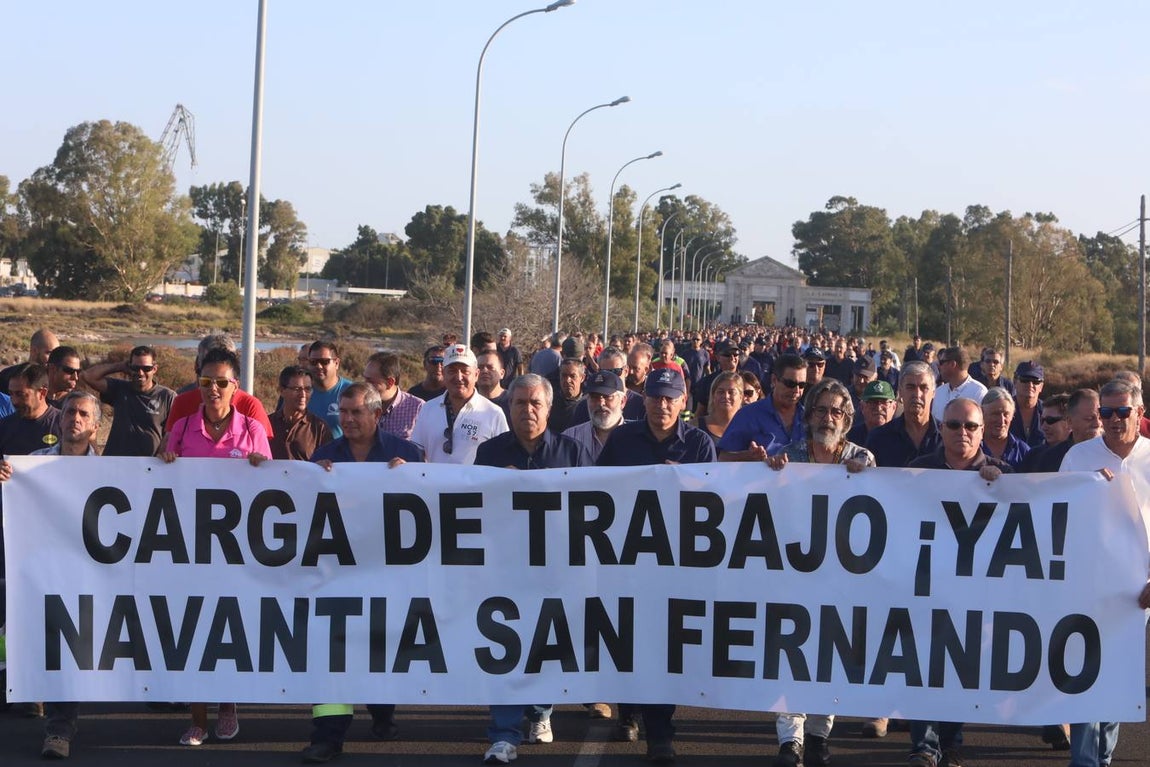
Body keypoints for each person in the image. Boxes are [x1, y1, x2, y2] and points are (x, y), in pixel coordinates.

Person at [597, 367, 715, 764]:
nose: (662, 404)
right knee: (628, 639)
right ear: (642, 399)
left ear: (683, 402)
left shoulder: (699, 444)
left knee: (665, 647)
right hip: (630, 560)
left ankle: (661, 734)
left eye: (670, 398)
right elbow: (598, 492)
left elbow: (718, 500)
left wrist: (683, 484)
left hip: (678, 564)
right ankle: (629, 712)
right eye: (655, 396)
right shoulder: (623, 439)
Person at [301, 383, 421, 764]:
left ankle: (383, 711)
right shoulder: (324, 456)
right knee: (332, 652)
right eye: (344, 413)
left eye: (357, 413)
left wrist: (414, 479)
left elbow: (429, 508)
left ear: (377, 414)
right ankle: (328, 736)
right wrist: (312, 479)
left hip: (388, 573)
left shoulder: (407, 454)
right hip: (338, 573)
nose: (348, 420)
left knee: (380, 648)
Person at [475, 373, 591, 761]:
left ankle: (541, 711)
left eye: (535, 403)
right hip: (505, 570)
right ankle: (503, 734)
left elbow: (594, 508)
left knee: (546, 645)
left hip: (557, 570)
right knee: (506, 649)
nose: (527, 410)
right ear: (510, 408)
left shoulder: (572, 453)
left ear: (549, 407)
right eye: (520, 403)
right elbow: (473, 510)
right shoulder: (489, 454)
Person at [160, 347, 270, 747]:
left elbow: (274, 488)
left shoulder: (252, 429)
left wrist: (261, 466)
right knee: (193, 629)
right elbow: (163, 475)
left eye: (222, 382)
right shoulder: (184, 426)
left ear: (235, 386)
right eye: (206, 382)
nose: (213, 389)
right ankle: (197, 719)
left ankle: (228, 706)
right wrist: (167, 458)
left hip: (237, 550)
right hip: (191, 547)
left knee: (230, 627)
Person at [764, 379, 874, 767]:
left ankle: (818, 734)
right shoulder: (788, 457)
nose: (829, 418)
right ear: (809, 415)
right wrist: (770, 474)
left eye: (837, 412)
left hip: (841, 579)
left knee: (830, 656)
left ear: (847, 420)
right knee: (788, 655)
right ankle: (789, 739)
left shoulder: (864, 459)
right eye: (822, 410)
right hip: (793, 575)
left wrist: (866, 478)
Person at [906, 398, 1010, 767]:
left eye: (970, 426)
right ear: (941, 429)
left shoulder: (1005, 476)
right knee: (922, 665)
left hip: (975, 593)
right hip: (926, 587)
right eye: (953, 425)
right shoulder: (917, 472)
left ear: (983, 430)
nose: (961, 433)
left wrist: (1002, 491)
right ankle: (924, 745)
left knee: (961, 668)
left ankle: (950, 741)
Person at [0, 390, 100, 759]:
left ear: (94, 426)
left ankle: (59, 729)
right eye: (70, 411)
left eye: (83, 414)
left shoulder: (112, 472)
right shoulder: (32, 466)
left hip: (84, 574)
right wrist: (5, 482)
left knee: (68, 647)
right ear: (59, 419)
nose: (75, 418)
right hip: (40, 569)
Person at [1064, 379, 1150, 767]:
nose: (1114, 420)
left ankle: (1102, 756)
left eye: (1123, 412)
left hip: (1138, 592)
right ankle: (1084, 760)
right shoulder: (1078, 456)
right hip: (1086, 586)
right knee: (1085, 673)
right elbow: (1055, 517)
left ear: (1139, 414)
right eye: (1106, 412)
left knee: (1117, 677)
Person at [409, 343, 507, 464]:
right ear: (444, 374)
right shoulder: (428, 408)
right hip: (434, 482)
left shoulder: (493, 413)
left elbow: (504, 458)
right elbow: (416, 452)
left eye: (465, 371)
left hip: (478, 483)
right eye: (452, 371)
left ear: (476, 375)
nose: (459, 377)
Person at [165, 334, 273, 436]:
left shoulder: (250, 405)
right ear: (197, 365)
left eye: (224, 360)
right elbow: (170, 446)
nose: (216, 367)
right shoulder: (182, 402)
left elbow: (263, 450)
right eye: (210, 361)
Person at [81, 345, 175, 457]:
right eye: (136, 368)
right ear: (129, 367)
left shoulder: (167, 396)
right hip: (116, 463)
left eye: (146, 368)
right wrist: (119, 366)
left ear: (154, 369)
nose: (140, 372)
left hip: (149, 467)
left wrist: (159, 459)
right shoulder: (120, 388)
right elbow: (88, 376)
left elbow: (172, 434)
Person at [718, 352, 807, 460]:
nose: (796, 390)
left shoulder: (810, 418)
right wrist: (748, 456)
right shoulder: (748, 415)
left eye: (802, 385)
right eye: (790, 384)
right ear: (774, 380)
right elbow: (722, 457)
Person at [866, 361, 942, 469]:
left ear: (933, 392)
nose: (917, 394)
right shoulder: (878, 438)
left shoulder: (947, 437)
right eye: (910, 387)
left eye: (923, 387)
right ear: (900, 392)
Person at [268, 365, 331, 460]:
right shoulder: (267, 424)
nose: (303, 395)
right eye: (297, 389)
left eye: (308, 389)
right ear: (281, 390)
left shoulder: (319, 428)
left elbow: (329, 464)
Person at [562, 370, 627, 462]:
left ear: (622, 401)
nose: (601, 403)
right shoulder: (568, 439)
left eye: (608, 397)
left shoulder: (638, 439)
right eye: (594, 397)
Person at [363, 351, 423, 440]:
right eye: (364, 379)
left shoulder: (418, 408)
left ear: (390, 382)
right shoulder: (360, 405)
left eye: (370, 381)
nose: (365, 385)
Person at [307, 340, 352, 438]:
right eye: (313, 362)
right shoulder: (302, 392)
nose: (318, 366)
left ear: (336, 363)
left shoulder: (351, 391)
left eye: (324, 362)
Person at [931, 347, 988, 423]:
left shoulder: (979, 393)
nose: (939, 367)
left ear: (952, 364)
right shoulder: (938, 392)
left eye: (941, 362)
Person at [980, 387, 1029, 469]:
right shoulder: (972, 448)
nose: (1001, 420)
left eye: (1006, 414)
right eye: (995, 414)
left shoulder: (1023, 451)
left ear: (1012, 416)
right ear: (982, 413)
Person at [0, 328, 58, 395]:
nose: (54, 358)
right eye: (49, 353)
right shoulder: (8, 376)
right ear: (34, 351)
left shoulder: (56, 378)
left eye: (56, 354)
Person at [696, 371, 744, 445]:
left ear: (741, 397)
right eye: (720, 392)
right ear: (713, 396)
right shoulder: (696, 426)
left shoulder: (749, 427)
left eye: (731, 392)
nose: (726, 396)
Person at [846, 379, 897, 446]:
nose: (878, 408)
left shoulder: (902, 438)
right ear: (862, 407)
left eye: (884, 402)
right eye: (873, 402)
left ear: (894, 407)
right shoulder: (849, 438)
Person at [1009, 360, 1044, 448]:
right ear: (1015, 381)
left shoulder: (1049, 414)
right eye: (1025, 379)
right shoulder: (1003, 411)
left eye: (1036, 381)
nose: (1030, 385)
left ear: (1041, 386)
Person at [547, 357, 585, 433]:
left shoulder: (587, 404)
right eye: (564, 376)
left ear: (582, 378)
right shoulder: (550, 403)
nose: (568, 380)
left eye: (572, 376)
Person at [475, 349, 511, 420]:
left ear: (502, 373)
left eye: (490, 367)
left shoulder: (512, 402)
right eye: (480, 367)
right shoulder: (468, 403)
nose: (485, 371)